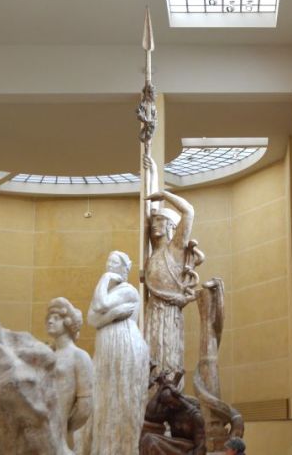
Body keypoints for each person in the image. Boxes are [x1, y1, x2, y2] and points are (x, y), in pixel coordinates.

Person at [143, 154, 201, 381]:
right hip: (152, 311)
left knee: (168, 358)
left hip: (169, 313)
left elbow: (189, 212)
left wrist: (165, 193)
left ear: (171, 227)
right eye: (155, 221)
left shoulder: (176, 248)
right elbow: (149, 204)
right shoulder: (153, 251)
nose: (154, 223)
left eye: (160, 221)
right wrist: (152, 173)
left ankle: (169, 403)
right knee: (151, 357)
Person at [87, 251, 150, 455]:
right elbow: (92, 319)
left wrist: (104, 281)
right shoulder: (106, 290)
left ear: (125, 268)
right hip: (107, 345)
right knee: (104, 396)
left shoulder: (128, 290)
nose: (109, 266)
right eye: (107, 262)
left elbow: (100, 305)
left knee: (121, 394)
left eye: (114, 262)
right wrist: (112, 315)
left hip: (123, 345)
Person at [45, 297, 94, 451]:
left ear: (67, 322)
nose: (50, 321)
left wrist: (65, 425)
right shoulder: (45, 354)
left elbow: (85, 407)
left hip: (60, 431)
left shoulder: (79, 356)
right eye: (49, 318)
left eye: (56, 318)